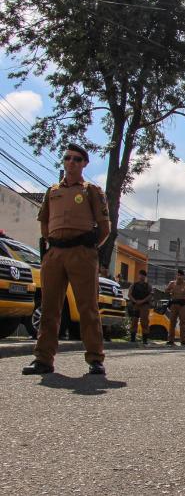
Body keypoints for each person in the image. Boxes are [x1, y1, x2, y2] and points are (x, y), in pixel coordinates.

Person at [23, 143, 110, 376]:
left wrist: (90, 248)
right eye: (68, 158)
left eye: (77, 159)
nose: (71, 162)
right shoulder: (52, 191)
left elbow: (104, 228)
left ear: (84, 164)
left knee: (87, 308)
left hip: (82, 253)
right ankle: (43, 359)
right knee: (49, 307)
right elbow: (44, 221)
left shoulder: (91, 191)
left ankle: (95, 358)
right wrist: (51, 245)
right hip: (55, 254)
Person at [165, 269, 185, 346]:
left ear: (183, 276)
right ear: (176, 276)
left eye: (181, 275)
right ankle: (170, 340)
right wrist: (169, 291)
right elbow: (166, 291)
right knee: (172, 322)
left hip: (182, 305)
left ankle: (183, 340)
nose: (179, 277)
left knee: (183, 323)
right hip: (174, 304)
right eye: (178, 275)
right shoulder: (172, 283)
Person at [128, 270, 153, 345]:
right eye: (141, 275)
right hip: (135, 305)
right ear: (138, 275)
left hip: (144, 305)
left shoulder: (148, 285)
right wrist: (135, 301)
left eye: (143, 275)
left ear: (145, 277)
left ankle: (145, 340)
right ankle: (132, 339)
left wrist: (142, 301)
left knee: (144, 322)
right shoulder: (134, 284)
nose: (142, 276)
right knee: (134, 321)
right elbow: (129, 294)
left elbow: (150, 295)